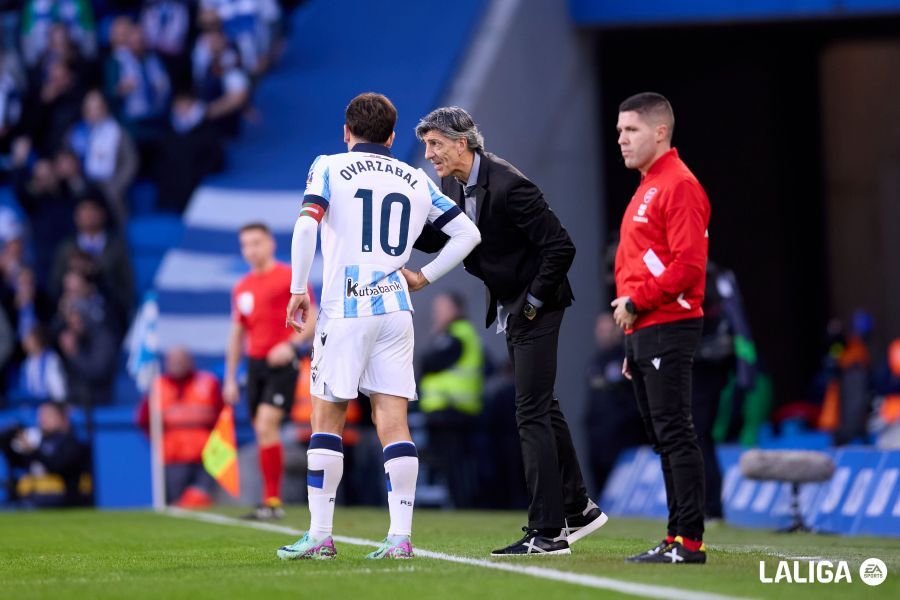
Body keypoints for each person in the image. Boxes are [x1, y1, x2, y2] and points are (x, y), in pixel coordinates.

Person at [275, 92, 480, 561]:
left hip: (346, 305)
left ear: (347, 133)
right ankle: (400, 538)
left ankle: (320, 536)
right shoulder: (415, 176)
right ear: (391, 136)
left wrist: (296, 288)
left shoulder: (328, 165)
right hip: (395, 306)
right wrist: (424, 276)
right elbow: (468, 233)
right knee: (393, 420)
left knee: (326, 418)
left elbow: (306, 226)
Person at [413, 106, 605, 556]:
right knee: (543, 408)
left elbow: (561, 245)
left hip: (537, 304)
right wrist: (398, 235)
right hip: (512, 303)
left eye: (435, 144)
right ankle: (579, 509)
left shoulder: (509, 184)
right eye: (426, 145)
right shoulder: (451, 184)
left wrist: (533, 304)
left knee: (530, 413)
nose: (429, 154)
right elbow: (448, 239)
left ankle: (548, 532)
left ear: (462, 143)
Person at [612, 92, 711, 564]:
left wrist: (636, 301)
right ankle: (676, 537)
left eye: (630, 130)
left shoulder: (678, 185)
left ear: (660, 132)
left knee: (675, 432)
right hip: (647, 328)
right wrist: (633, 333)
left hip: (668, 323)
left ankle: (688, 541)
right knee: (663, 434)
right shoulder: (650, 184)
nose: (621, 140)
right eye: (618, 131)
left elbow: (689, 267)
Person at [225, 222, 317, 519]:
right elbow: (237, 334)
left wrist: (291, 346)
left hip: (282, 363)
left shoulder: (289, 277)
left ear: (270, 244)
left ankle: (273, 501)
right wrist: (230, 378)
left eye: (256, 243)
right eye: (245, 245)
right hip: (255, 365)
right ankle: (271, 501)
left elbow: (312, 316)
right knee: (262, 431)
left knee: (267, 425)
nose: (250, 250)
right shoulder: (242, 287)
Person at [419, 292, 484, 508]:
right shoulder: (457, 334)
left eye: (442, 308)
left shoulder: (457, 334)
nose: (437, 313)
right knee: (452, 465)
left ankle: (463, 505)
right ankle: (460, 502)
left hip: (451, 410)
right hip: (447, 411)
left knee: (455, 464)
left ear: (456, 309)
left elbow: (429, 362)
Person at [137, 347, 223, 508]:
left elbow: (222, 417)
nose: (177, 364)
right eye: (173, 360)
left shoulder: (208, 383)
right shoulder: (158, 387)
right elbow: (144, 420)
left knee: (200, 500)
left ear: (190, 361)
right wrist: (159, 442)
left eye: (181, 359)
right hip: (173, 459)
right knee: (176, 505)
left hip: (205, 458)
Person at [585, 313, 643, 495]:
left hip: (623, 435)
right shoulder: (595, 361)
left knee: (621, 484)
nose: (602, 334)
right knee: (599, 482)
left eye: (607, 329)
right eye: (600, 330)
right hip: (598, 435)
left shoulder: (626, 357)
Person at [0, 401, 90, 507]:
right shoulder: (39, 440)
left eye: (48, 415)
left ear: (62, 418)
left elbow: (57, 466)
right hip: (32, 497)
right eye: (40, 415)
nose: (42, 419)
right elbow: (21, 464)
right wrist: (8, 444)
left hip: (62, 499)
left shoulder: (73, 443)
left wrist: (33, 451)